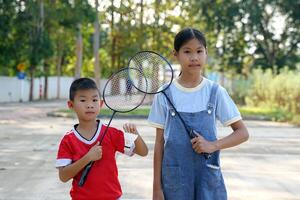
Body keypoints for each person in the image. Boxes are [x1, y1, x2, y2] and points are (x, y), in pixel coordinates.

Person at [148, 28, 249, 200]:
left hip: (207, 180)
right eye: (187, 51)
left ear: (206, 53)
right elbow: (159, 143)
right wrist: (156, 188)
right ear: (176, 54)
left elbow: (243, 133)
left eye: (199, 51)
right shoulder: (164, 93)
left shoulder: (216, 91)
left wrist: (213, 145)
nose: (194, 57)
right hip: (174, 181)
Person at [56, 78, 148, 200]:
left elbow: (143, 152)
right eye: (83, 100)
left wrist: (136, 136)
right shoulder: (68, 140)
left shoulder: (111, 134)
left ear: (101, 103)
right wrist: (87, 158)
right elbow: (63, 176)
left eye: (94, 100)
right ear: (71, 105)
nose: (89, 105)